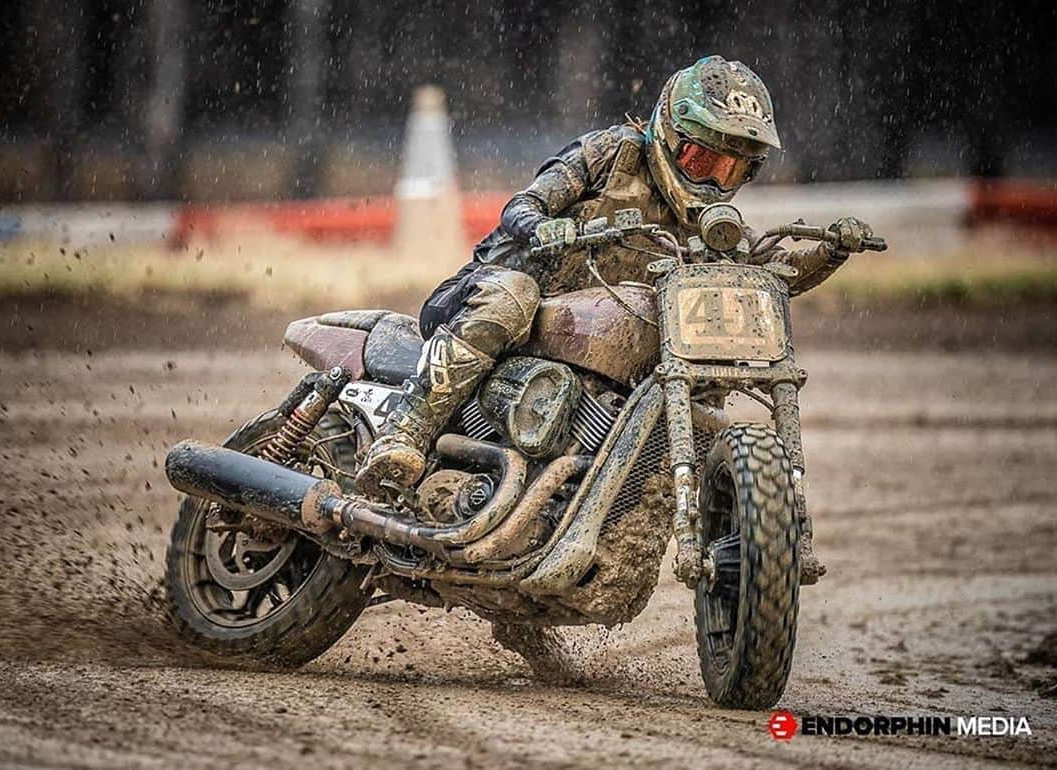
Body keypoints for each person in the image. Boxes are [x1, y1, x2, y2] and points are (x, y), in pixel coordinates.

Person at [356, 55, 874, 580]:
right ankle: (405, 433)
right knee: (512, 295)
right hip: (494, 298)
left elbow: (765, 272)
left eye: (731, 170)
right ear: (670, 134)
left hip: (586, 343)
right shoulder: (610, 152)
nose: (714, 181)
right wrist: (541, 227)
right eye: (701, 161)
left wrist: (829, 251)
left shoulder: (709, 224)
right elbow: (522, 206)